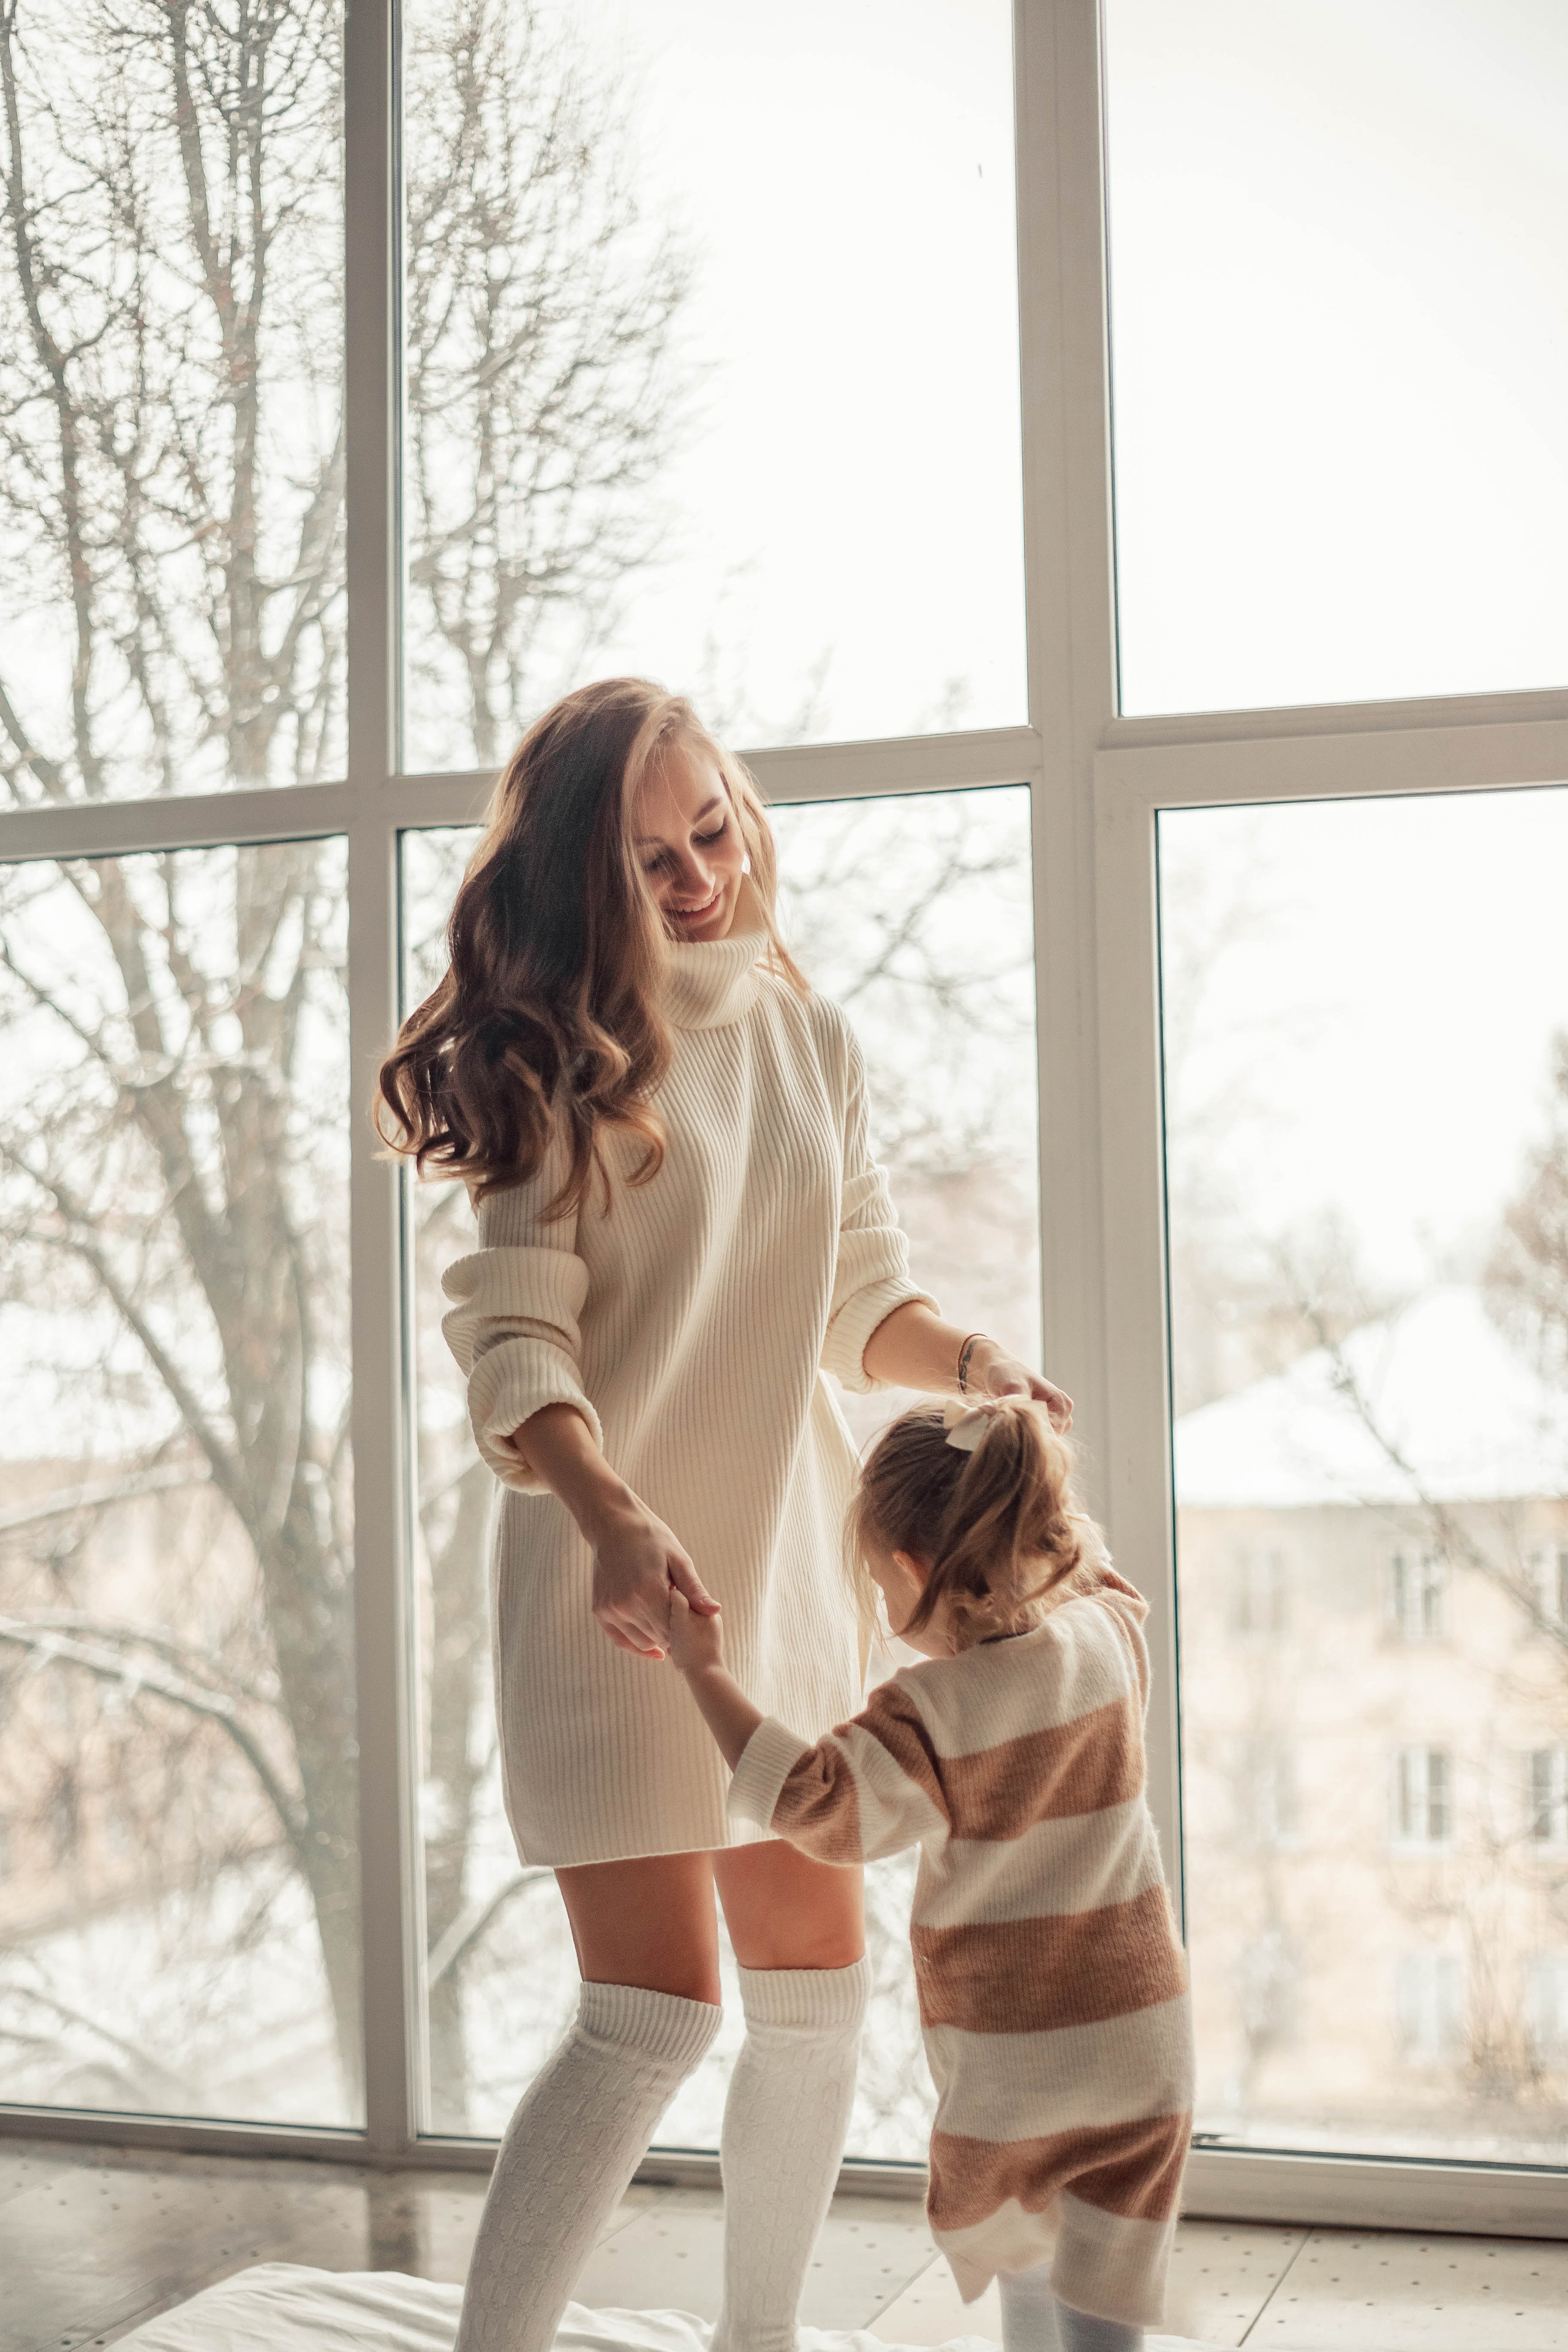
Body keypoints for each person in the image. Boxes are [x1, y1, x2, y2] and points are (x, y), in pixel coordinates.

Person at [377, 677, 1072, 2352]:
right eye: (651, 855)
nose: (699, 873)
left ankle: (758, 2342)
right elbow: (516, 1335)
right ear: (576, 873)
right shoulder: (555, 1058)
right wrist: (612, 1517)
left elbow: (858, 1301)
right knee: (646, 2015)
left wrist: (967, 1353)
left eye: (714, 827)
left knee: (820, 1991)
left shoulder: (810, 1035)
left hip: (789, 1578)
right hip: (609, 1576)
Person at [668, 1393, 1193, 2352]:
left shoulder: (932, 1712)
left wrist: (705, 1671)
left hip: (1017, 2048)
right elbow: (1103, 1576)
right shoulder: (1112, 1636)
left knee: (1025, 2238)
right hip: (1144, 2033)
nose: (877, 1602)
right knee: (1107, 2256)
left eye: (875, 1584)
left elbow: (818, 1802)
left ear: (913, 1569)